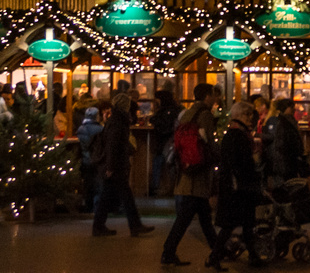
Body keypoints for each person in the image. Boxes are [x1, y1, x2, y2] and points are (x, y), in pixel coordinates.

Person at [162, 89, 219, 268]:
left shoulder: (186, 114)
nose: (216, 99)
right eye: (214, 96)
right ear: (207, 96)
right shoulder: (205, 115)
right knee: (187, 219)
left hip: (187, 172)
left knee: (202, 217)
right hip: (199, 173)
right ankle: (168, 252)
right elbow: (210, 142)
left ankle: (218, 252)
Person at [209, 101, 265, 270]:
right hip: (238, 188)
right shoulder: (238, 136)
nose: (250, 118)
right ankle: (214, 257)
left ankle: (253, 257)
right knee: (232, 224)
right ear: (239, 116)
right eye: (247, 115)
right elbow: (241, 164)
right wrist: (254, 163)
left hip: (236, 186)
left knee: (244, 223)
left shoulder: (233, 135)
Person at [93, 94, 153, 237]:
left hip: (115, 164)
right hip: (117, 164)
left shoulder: (114, 120)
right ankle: (134, 225)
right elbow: (113, 146)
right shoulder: (119, 121)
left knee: (109, 195)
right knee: (125, 196)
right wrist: (111, 166)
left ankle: (100, 226)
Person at [262, 94, 308, 186]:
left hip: (283, 160)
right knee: (286, 187)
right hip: (286, 160)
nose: (294, 110)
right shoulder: (284, 121)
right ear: (286, 108)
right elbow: (283, 141)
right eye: (292, 108)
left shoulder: (281, 120)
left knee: (284, 186)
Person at [76, 106, 105, 213]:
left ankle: (88, 206)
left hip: (85, 160)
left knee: (88, 185)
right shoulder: (101, 129)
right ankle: (97, 207)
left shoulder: (81, 129)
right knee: (98, 185)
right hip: (97, 160)